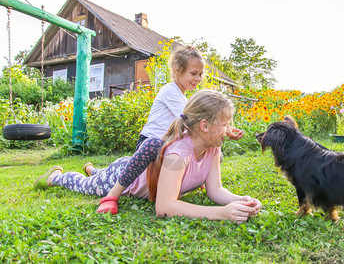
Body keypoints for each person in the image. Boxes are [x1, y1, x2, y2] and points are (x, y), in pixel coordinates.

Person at [34, 90, 261, 223]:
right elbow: (164, 206)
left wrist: (240, 201)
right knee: (87, 185)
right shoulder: (177, 154)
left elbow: (215, 190)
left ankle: (94, 169)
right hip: (124, 177)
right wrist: (220, 213)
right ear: (204, 125)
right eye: (225, 124)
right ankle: (56, 176)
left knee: (97, 175)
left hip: (132, 168)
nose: (229, 129)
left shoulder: (213, 147)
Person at [87, 45, 243, 214]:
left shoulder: (182, 95)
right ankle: (113, 194)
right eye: (193, 73)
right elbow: (192, 120)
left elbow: (201, 123)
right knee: (150, 148)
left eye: (200, 74)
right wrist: (225, 129)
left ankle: (93, 170)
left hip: (168, 143)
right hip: (151, 141)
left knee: (213, 152)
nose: (198, 78)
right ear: (177, 70)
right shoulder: (170, 91)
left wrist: (224, 127)